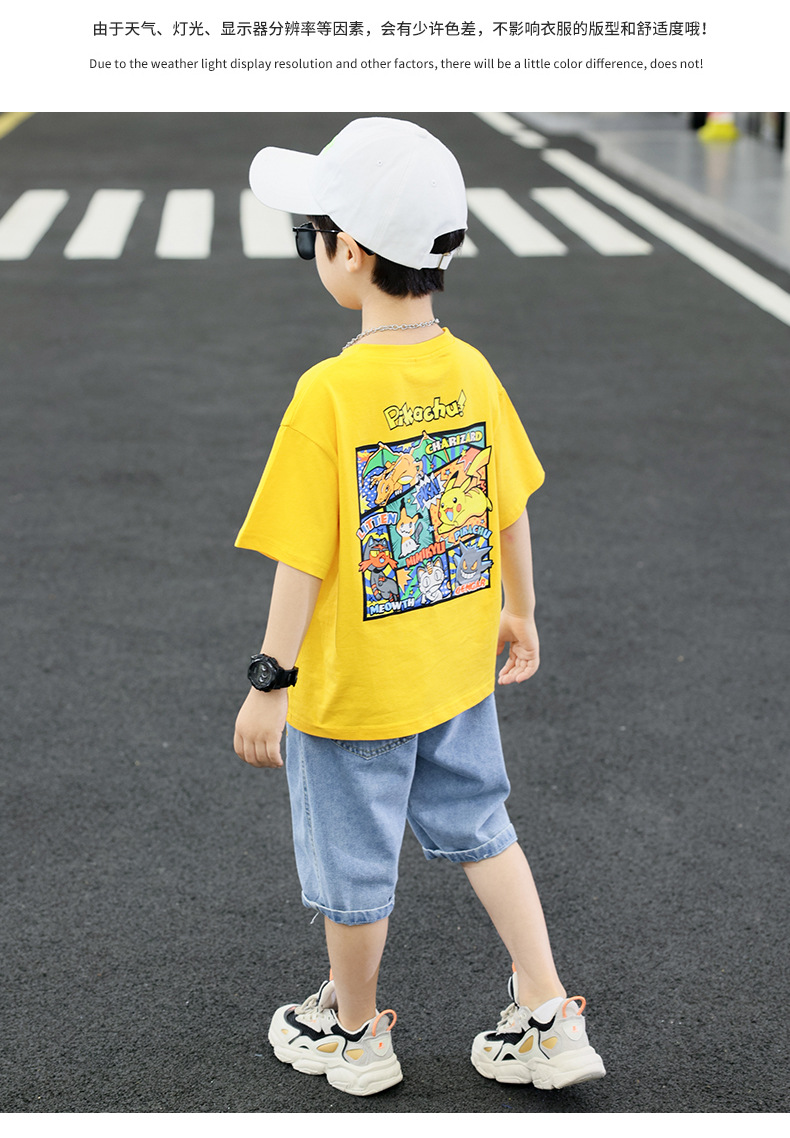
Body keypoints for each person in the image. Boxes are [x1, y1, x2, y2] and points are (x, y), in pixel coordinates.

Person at [233, 117, 605, 1098]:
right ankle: (548, 1010)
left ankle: (355, 1033)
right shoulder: (471, 369)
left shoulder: (330, 393)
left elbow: (301, 558)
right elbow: (508, 504)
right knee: (486, 829)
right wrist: (520, 610)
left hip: (354, 694)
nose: (313, 249)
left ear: (350, 252)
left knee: (354, 872)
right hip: (453, 669)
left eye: (311, 234)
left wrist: (271, 680)